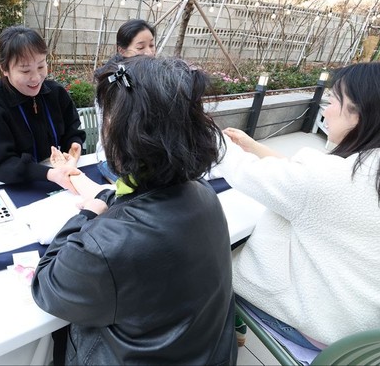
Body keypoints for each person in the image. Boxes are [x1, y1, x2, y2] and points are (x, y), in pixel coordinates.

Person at [31, 56, 237, 365]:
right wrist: (105, 196)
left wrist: (86, 215)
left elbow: (47, 285)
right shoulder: (204, 193)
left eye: (107, 118)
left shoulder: (105, 246)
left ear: (129, 133)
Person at [213, 60, 380, 351]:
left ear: (362, 115)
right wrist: (256, 148)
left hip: (310, 327)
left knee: (212, 260)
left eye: (334, 100)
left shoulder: (337, 180)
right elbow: (309, 183)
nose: (325, 111)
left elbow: (246, 173)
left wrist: (207, 135)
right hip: (359, 331)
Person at [0, 26, 85, 190]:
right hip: (12, 184)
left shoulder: (56, 93)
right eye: (25, 71)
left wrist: (74, 146)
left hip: (57, 175)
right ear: (4, 69)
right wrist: (49, 174)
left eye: (41, 67)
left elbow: (72, 131)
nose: (36, 78)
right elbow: (1, 163)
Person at [93, 19, 156, 165]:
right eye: (140, 47)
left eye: (152, 45)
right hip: (115, 157)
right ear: (122, 50)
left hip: (147, 157)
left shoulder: (153, 78)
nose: (149, 52)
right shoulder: (113, 84)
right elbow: (111, 135)